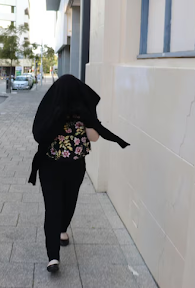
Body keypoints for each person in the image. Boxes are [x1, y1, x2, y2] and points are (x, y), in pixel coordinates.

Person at [29, 74, 130, 272]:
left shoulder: (83, 111)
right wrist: (57, 117)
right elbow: (39, 134)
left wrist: (86, 119)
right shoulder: (51, 109)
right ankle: (53, 256)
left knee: (69, 202)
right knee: (53, 208)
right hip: (50, 166)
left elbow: (94, 138)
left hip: (75, 166)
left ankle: (63, 229)